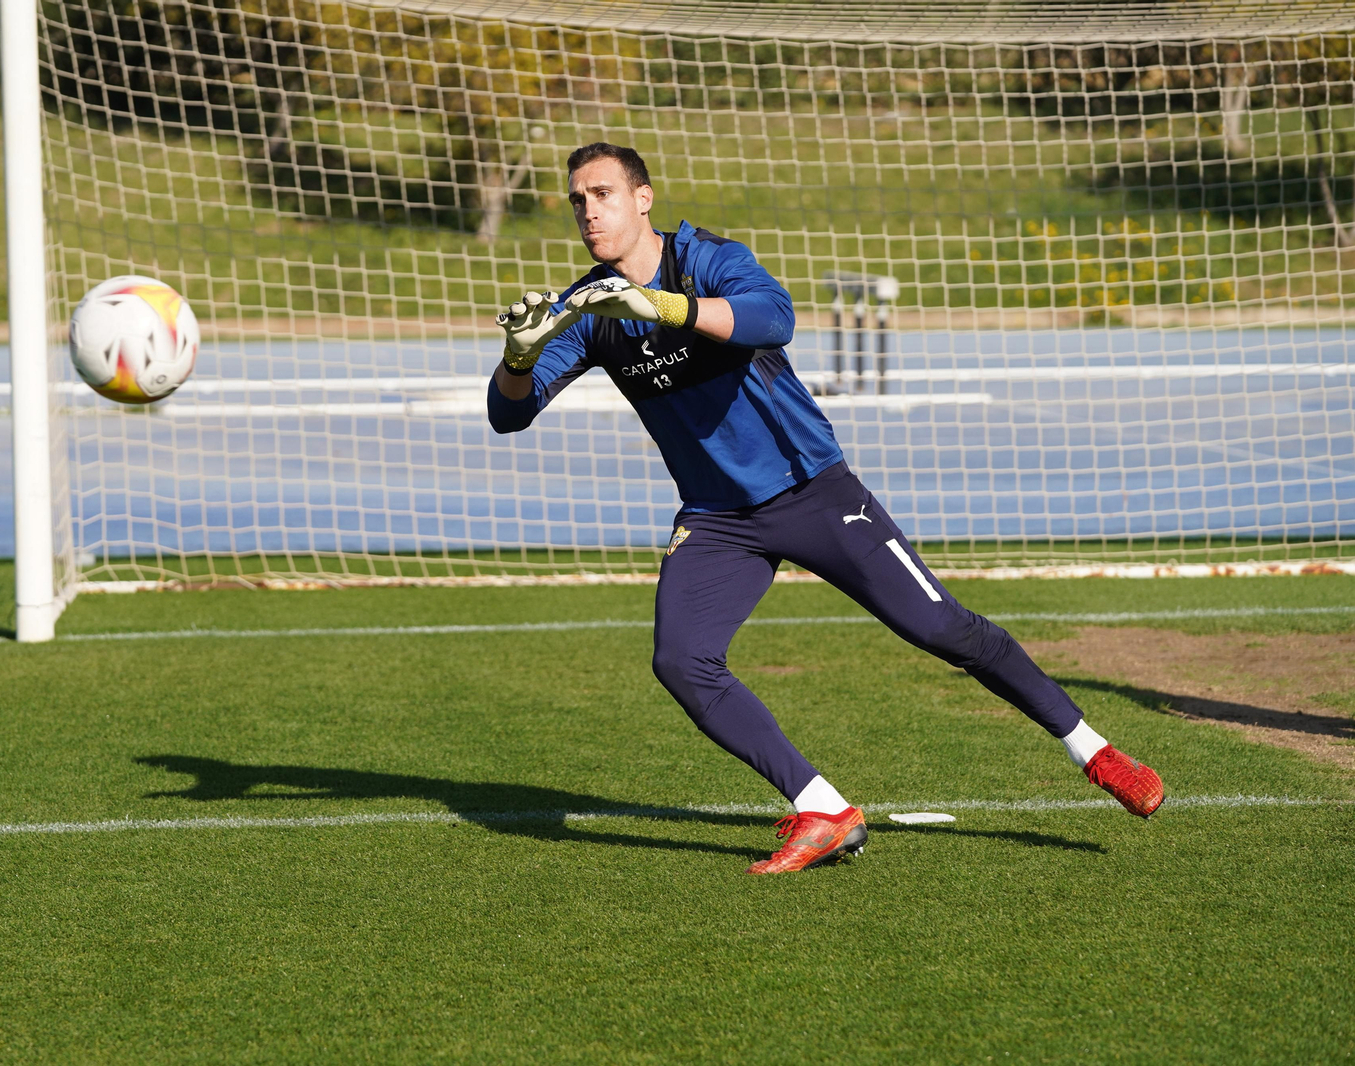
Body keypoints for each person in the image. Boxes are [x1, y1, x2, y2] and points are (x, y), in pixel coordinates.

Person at [485, 142, 1163, 874]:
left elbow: (774, 319)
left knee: (942, 627)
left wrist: (662, 307)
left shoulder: (707, 259)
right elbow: (507, 415)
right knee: (682, 660)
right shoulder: (586, 308)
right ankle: (823, 808)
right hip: (717, 518)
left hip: (812, 490)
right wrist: (519, 361)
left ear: (643, 199)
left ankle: (1094, 752)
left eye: (604, 194)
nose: (589, 211)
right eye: (578, 199)